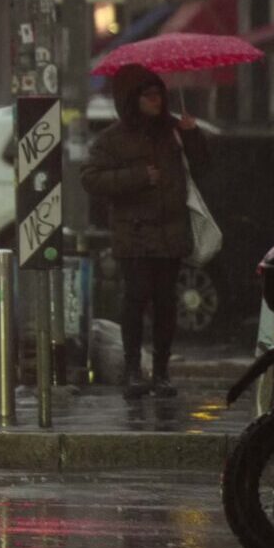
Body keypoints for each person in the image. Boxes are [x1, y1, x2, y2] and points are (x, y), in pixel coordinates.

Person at [81, 63, 208, 399]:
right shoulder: (112, 140)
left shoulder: (174, 132)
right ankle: (134, 370)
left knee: (167, 304)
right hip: (134, 236)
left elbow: (206, 167)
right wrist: (137, 176)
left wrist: (192, 134)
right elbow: (91, 178)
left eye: (159, 94)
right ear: (131, 99)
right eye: (148, 95)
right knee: (135, 301)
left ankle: (162, 372)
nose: (156, 101)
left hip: (171, 233)